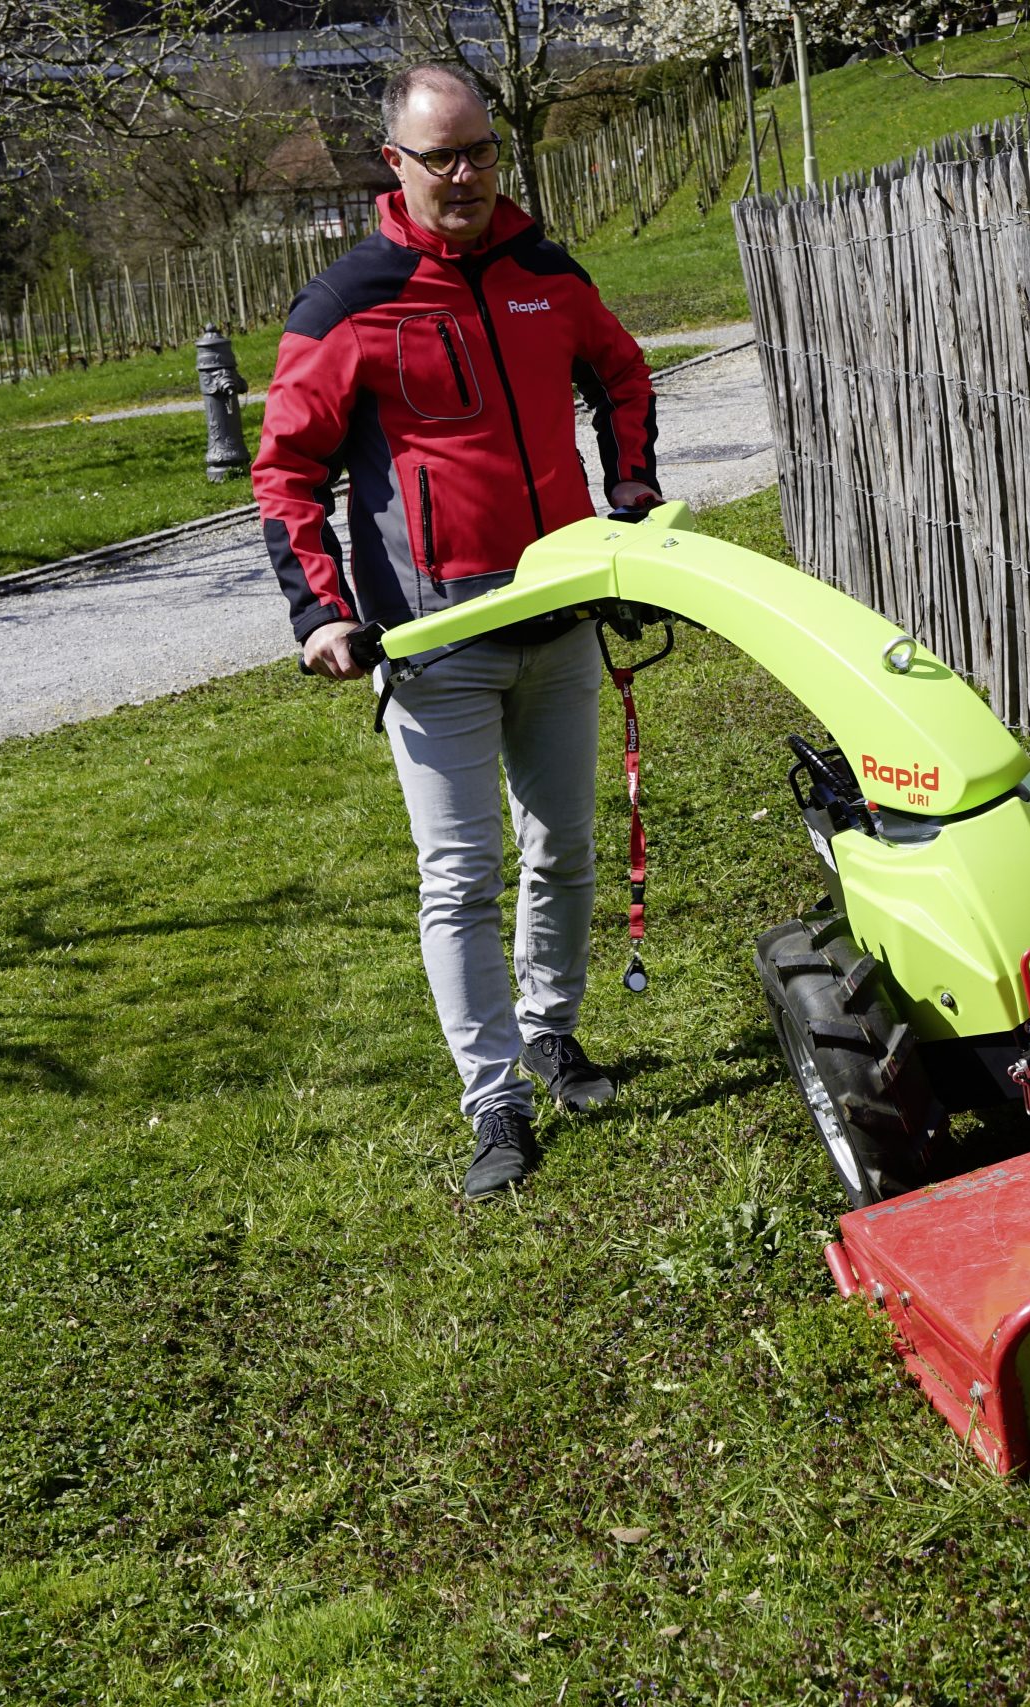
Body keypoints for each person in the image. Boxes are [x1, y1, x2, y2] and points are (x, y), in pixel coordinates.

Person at [253, 63, 660, 1201]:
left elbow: (621, 376)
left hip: (560, 613)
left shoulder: (542, 270)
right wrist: (322, 611)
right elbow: (285, 471)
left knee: (563, 849)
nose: (469, 174)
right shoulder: (349, 303)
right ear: (396, 164)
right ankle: (494, 1102)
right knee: (459, 875)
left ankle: (554, 1035)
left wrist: (629, 497)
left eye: (481, 150)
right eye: (443, 157)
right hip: (433, 638)